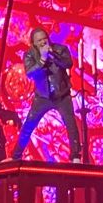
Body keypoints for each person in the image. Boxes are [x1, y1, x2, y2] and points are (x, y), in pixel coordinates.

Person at [12, 27, 82, 163]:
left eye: (44, 39)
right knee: (29, 125)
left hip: (62, 95)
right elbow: (30, 73)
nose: (43, 42)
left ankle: (75, 156)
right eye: (39, 41)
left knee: (71, 124)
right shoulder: (29, 55)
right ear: (33, 43)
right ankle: (16, 156)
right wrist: (42, 60)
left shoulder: (60, 49)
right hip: (42, 97)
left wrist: (53, 55)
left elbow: (68, 63)